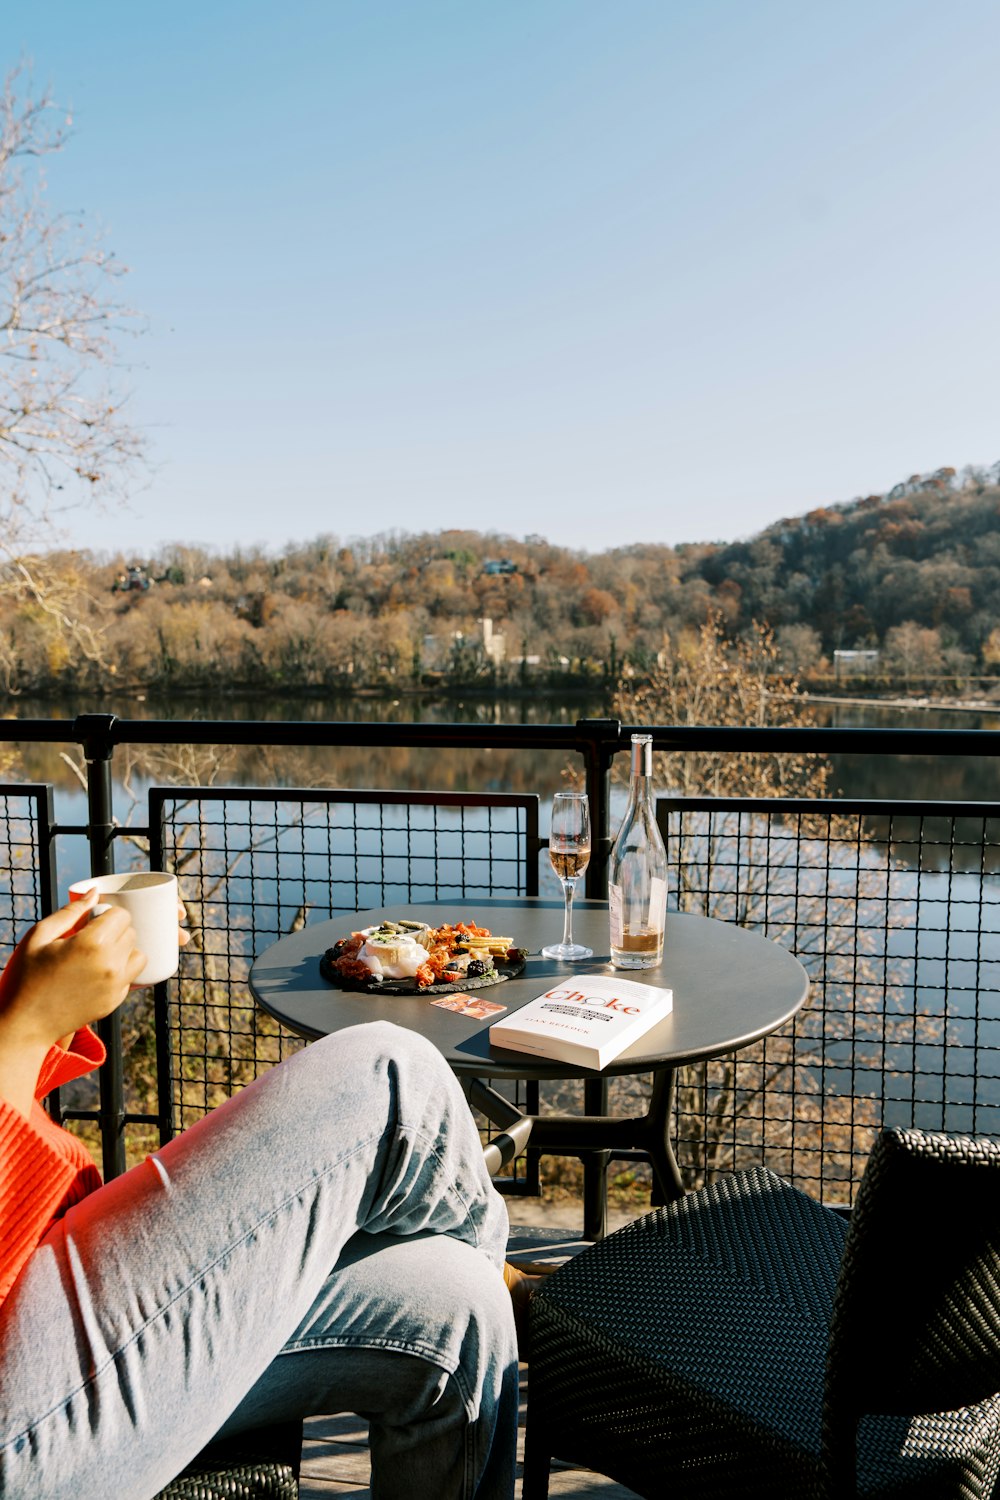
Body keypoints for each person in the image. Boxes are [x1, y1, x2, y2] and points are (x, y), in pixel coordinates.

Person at [0, 889, 522, 1499]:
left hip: (31, 1283)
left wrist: (39, 1013)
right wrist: (26, 1028)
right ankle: (524, 1299)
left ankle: (503, 1290)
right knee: (391, 1073)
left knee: (457, 1301)